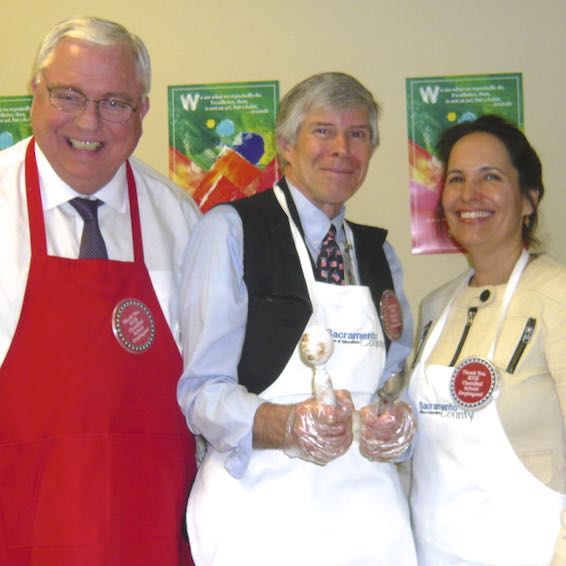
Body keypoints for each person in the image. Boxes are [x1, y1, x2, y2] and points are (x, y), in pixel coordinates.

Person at [178, 72, 417, 566]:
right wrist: (285, 425)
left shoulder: (378, 255)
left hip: (366, 518)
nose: (342, 149)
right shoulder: (231, 232)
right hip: (261, 516)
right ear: (285, 146)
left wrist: (396, 420)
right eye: (323, 131)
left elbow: (393, 378)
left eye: (357, 135)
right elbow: (202, 391)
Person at [0, 16, 200, 566]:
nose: (89, 121)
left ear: (143, 112)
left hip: (153, 534)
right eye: (69, 95)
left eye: (114, 102)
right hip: (20, 533)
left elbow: (211, 388)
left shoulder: (181, 218)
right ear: (35, 95)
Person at [408, 114, 566, 565]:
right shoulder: (436, 308)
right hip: (434, 552)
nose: (468, 194)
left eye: (490, 177)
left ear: (528, 200)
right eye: (456, 179)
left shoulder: (557, 298)